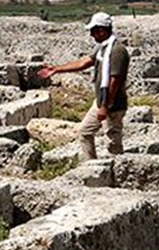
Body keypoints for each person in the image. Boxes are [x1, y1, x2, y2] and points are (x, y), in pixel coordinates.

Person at [37, 12, 130, 160]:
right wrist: (56, 69)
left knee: (113, 139)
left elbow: (115, 80)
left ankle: (117, 169)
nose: (92, 35)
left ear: (102, 30)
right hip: (101, 101)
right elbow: (83, 63)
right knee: (84, 132)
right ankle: (91, 167)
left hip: (113, 104)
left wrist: (105, 106)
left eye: (93, 31)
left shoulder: (117, 51)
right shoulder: (103, 49)